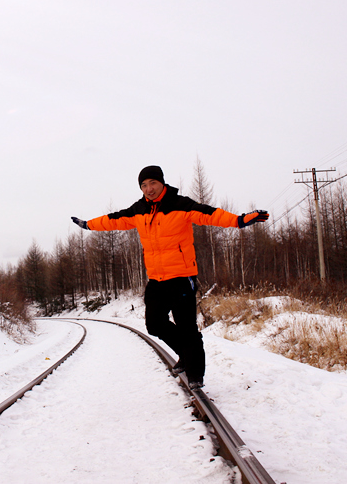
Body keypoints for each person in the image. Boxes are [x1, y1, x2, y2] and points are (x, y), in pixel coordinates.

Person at [71, 165, 269, 389]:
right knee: (154, 325)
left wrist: (239, 221)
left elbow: (210, 214)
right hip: (156, 279)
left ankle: (195, 373)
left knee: (186, 327)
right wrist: (88, 225)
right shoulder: (139, 210)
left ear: (162, 183)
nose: (149, 189)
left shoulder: (180, 204)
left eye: (152, 183)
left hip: (182, 277)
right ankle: (185, 354)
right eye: (144, 185)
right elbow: (114, 219)